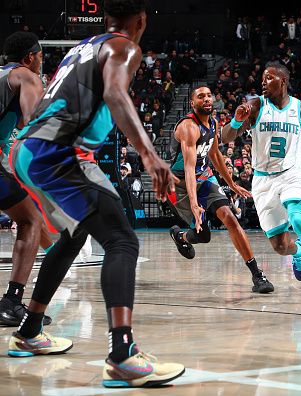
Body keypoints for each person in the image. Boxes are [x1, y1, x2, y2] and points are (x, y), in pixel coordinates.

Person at [7, 0, 185, 388]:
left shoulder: (83, 46)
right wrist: (149, 154)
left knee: (75, 235)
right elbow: (117, 96)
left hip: (29, 149)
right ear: (141, 20)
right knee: (121, 240)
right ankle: (122, 355)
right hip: (58, 152)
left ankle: (30, 329)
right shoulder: (125, 46)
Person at [221, 62, 301, 305]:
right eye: (262, 77)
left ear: (282, 81)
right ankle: (299, 252)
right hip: (262, 181)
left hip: (291, 174)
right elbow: (225, 137)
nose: (263, 82)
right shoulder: (256, 105)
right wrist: (237, 121)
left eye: (269, 77)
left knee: (299, 220)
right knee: (280, 246)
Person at [168, 86, 273, 293]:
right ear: (193, 103)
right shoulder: (189, 127)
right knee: (203, 236)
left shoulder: (213, 123)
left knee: (230, 217)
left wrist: (232, 184)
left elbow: (215, 155)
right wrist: (194, 203)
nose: (206, 99)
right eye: (201, 97)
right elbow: (189, 168)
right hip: (180, 184)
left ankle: (257, 275)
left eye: (209, 95)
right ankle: (180, 237)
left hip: (204, 177)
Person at [0, 32, 55, 327]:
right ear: (29, 58)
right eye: (41, 58)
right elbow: (35, 121)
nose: (41, 64)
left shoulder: (4, 76)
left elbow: (17, 119)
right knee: (31, 221)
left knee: (27, 216)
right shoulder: (27, 76)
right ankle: (11, 302)